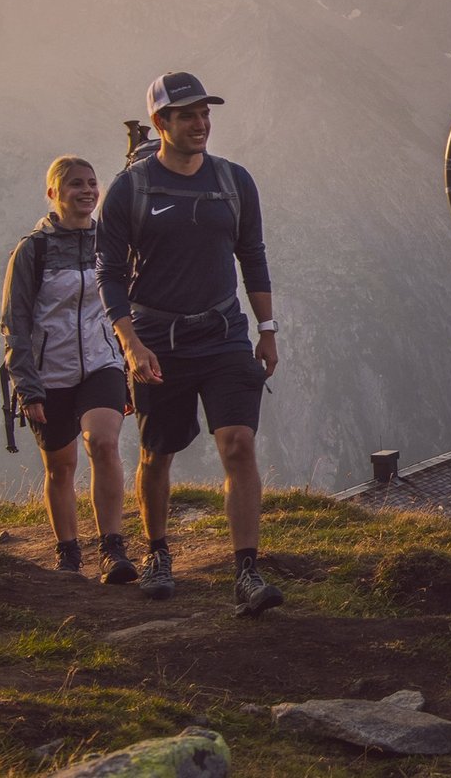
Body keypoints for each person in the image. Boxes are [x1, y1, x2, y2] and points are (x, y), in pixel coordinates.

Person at [96, 71, 283, 616]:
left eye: (205, 113)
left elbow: (253, 254)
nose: (200, 123)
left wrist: (267, 329)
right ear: (160, 123)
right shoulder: (130, 189)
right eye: (186, 115)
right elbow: (108, 271)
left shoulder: (234, 181)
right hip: (157, 343)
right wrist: (130, 343)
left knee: (238, 445)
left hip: (224, 335)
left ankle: (247, 572)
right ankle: (158, 554)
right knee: (157, 454)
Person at [0, 156, 138, 583]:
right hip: (49, 373)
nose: (87, 191)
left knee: (103, 443)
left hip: (103, 363)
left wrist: (131, 365)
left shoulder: (111, 243)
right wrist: (27, 387)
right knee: (60, 467)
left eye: (93, 183)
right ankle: (68, 553)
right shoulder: (32, 250)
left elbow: (127, 306)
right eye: (75, 183)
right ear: (53, 193)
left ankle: (112, 548)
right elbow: (14, 323)